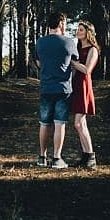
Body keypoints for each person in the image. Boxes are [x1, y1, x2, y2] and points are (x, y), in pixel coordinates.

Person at [33, 11, 77, 169]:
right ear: (61, 23)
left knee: (44, 123)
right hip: (63, 88)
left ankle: (42, 157)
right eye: (64, 22)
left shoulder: (40, 42)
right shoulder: (69, 42)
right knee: (59, 124)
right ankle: (57, 159)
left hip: (46, 87)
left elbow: (39, 63)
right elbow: (74, 64)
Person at [69, 20, 100, 169]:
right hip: (75, 86)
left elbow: (87, 70)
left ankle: (91, 157)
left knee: (78, 123)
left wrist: (73, 63)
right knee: (81, 124)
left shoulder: (93, 50)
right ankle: (86, 157)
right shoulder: (76, 48)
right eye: (78, 29)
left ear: (88, 32)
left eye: (81, 29)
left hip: (84, 87)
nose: (78, 32)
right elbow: (74, 71)